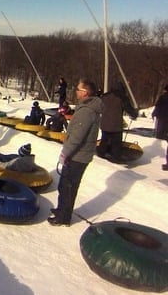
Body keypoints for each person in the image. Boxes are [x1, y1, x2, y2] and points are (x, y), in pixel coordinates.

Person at [48, 78, 102, 226]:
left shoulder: (86, 111)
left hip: (78, 155)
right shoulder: (86, 108)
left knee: (68, 186)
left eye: (78, 89)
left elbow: (77, 136)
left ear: (85, 93)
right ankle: (61, 209)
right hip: (77, 154)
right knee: (64, 185)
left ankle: (64, 217)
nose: (76, 91)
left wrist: (65, 153)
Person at [97, 81, 138, 161]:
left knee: (104, 140)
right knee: (116, 144)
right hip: (116, 126)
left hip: (104, 124)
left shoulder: (105, 96)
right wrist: (134, 114)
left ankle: (101, 156)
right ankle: (115, 158)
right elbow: (129, 109)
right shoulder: (122, 98)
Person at [151, 84, 168, 171]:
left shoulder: (162, 98)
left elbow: (157, 107)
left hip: (163, 120)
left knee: (163, 135)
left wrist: (154, 114)